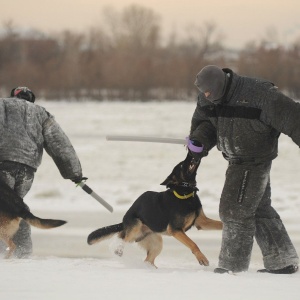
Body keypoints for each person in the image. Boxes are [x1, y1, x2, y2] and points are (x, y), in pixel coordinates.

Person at [187, 65, 299, 274]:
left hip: (255, 160)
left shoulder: (259, 94)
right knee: (257, 209)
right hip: (235, 159)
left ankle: (232, 267)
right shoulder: (207, 97)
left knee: (234, 210)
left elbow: (294, 117)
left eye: (209, 91)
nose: (206, 96)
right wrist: (199, 142)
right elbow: (207, 125)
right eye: (203, 92)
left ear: (221, 84)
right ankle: (283, 261)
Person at [0, 87, 84, 258]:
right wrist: (74, 173)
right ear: (31, 99)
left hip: (2, 163)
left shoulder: (2, 105)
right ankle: (23, 253)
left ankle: (6, 252)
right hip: (26, 171)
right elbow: (61, 145)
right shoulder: (42, 114)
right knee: (16, 206)